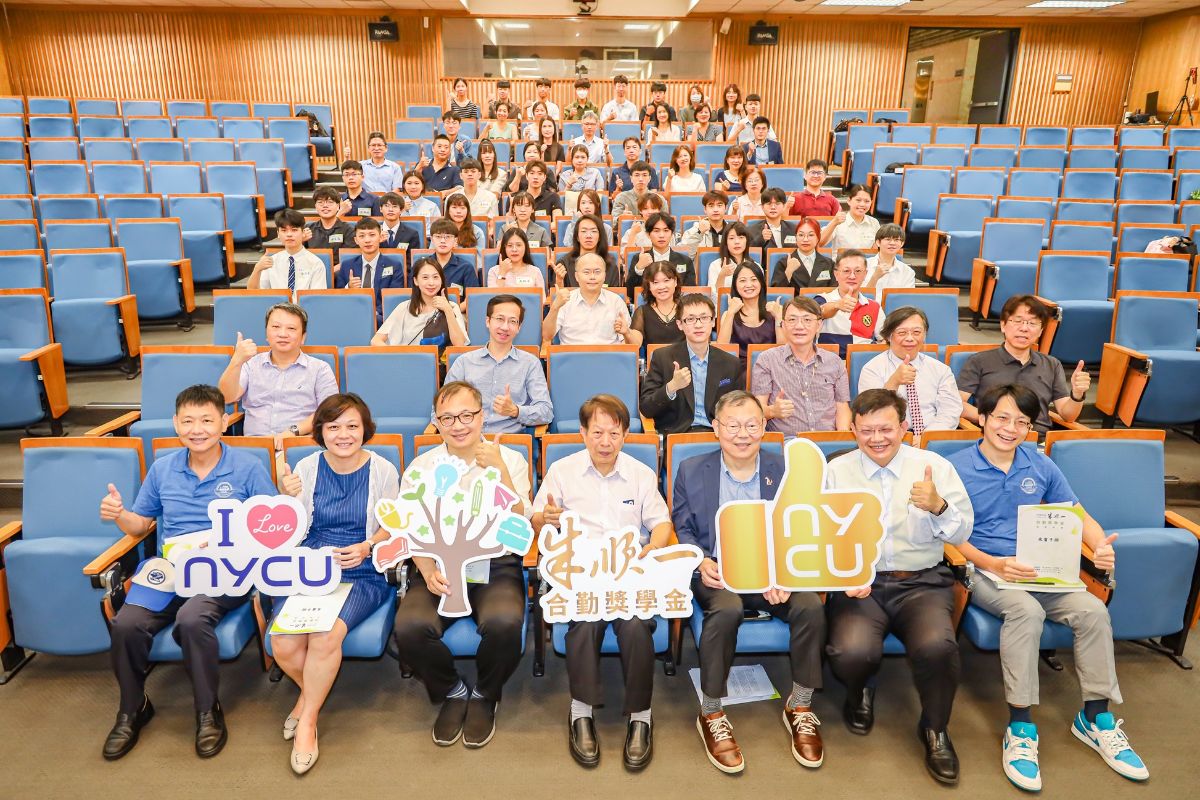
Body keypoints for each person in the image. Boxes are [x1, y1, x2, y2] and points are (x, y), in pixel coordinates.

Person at [947, 384, 1147, 792]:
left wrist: (1099, 545)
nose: (1011, 428)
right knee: (1026, 611)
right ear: (982, 418)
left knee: (1093, 611)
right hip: (986, 569)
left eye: (1021, 422)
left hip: (1040, 568)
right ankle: (1021, 726)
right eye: (1002, 418)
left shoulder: (1040, 464)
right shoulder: (956, 467)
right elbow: (947, 534)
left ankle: (1095, 717)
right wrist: (993, 562)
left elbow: (1077, 513)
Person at [99, 384, 277, 761]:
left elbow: (271, 528)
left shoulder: (248, 467)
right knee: (127, 623)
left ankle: (207, 710)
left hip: (226, 570)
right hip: (171, 569)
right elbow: (140, 525)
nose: (198, 429)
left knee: (192, 619)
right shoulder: (163, 468)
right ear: (176, 424)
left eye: (207, 420)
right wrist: (120, 515)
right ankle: (132, 708)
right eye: (188, 421)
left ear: (224, 422)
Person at [673, 391, 827, 774]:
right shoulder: (691, 469)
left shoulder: (785, 469)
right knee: (726, 610)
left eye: (751, 425)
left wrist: (784, 572)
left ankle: (800, 705)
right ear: (716, 428)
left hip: (774, 572)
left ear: (763, 427)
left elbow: (801, 526)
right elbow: (683, 528)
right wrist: (700, 560)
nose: (742, 434)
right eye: (733, 425)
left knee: (810, 606)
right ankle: (711, 712)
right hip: (719, 573)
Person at [824, 389, 972, 785]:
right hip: (861, 583)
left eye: (886, 429)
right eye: (866, 430)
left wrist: (939, 506)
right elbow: (819, 535)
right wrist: (841, 576)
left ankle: (935, 728)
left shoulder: (933, 467)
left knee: (938, 648)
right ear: (853, 430)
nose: (877, 438)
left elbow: (962, 533)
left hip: (921, 583)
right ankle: (861, 689)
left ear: (904, 427)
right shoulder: (836, 471)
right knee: (850, 652)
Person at [532, 395, 673, 770]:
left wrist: (653, 549)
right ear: (583, 433)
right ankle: (581, 711)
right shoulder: (562, 471)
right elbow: (537, 517)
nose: (605, 442)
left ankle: (641, 715)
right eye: (597, 433)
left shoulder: (641, 475)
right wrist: (546, 518)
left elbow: (661, 524)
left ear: (625, 434)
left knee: (636, 625)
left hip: (629, 571)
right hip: (582, 573)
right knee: (585, 622)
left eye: (614, 433)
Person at [394, 381, 533, 749]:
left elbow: (521, 520)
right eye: (448, 418)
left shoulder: (510, 459)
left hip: (494, 564)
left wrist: (499, 470)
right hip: (438, 566)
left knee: (505, 623)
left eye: (466, 415)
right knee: (409, 627)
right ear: (437, 422)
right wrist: (426, 570)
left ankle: (486, 693)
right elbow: (410, 527)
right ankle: (452, 691)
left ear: (482, 416)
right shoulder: (423, 466)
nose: (458, 425)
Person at [272, 393, 400, 774]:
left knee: (325, 636)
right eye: (333, 427)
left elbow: (394, 525)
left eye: (352, 426)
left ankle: (308, 720)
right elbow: (289, 528)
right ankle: (310, 694)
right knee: (282, 643)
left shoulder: (383, 469)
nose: (343, 434)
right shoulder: (306, 467)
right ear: (321, 431)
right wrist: (285, 497)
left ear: (365, 429)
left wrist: (367, 546)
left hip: (362, 567)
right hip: (310, 565)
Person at [958, 295, 1090, 435]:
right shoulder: (979, 361)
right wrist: (995, 420)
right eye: (1017, 321)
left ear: (1040, 331)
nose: (1024, 328)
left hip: (1038, 439)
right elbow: (958, 404)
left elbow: (1068, 415)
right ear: (1003, 325)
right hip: (995, 437)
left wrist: (1077, 394)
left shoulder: (1051, 364)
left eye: (1032, 323)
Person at [217, 301, 338, 446]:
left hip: (297, 445)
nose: (282, 334)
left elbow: (329, 412)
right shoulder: (251, 364)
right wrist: (236, 361)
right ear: (266, 333)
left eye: (291, 328)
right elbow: (227, 397)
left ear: (303, 337)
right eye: (276, 327)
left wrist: (293, 432)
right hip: (255, 446)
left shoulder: (320, 369)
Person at [443, 295, 553, 434]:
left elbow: (546, 412)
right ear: (488, 321)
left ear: (519, 327)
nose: (505, 327)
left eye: (512, 321)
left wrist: (515, 411)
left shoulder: (530, 363)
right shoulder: (464, 362)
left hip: (509, 440)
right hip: (468, 438)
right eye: (500, 319)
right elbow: (441, 407)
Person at [641, 294, 743, 433]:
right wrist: (672, 387)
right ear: (680, 324)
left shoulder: (730, 363)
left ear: (713, 322)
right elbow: (646, 408)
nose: (698, 324)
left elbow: (739, 408)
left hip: (719, 435)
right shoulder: (662, 357)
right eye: (690, 319)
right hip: (678, 435)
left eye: (704, 318)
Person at [752, 297, 851, 434]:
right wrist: (772, 411)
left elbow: (842, 407)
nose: (799, 326)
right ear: (783, 325)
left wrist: (842, 439)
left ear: (819, 325)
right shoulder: (767, 360)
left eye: (807, 320)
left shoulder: (834, 362)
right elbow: (756, 410)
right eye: (792, 319)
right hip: (788, 442)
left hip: (826, 441)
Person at [859, 307, 962, 437]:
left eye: (916, 332)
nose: (910, 338)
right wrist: (894, 382)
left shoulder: (940, 370)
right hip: (888, 437)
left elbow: (950, 412)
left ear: (924, 335)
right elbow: (871, 413)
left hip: (932, 436)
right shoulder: (872, 369)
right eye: (902, 333)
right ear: (888, 336)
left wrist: (926, 437)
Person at [544, 253, 639, 346]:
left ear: (604, 276)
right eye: (586, 272)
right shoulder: (565, 301)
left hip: (608, 355)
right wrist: (555, 307)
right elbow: (547, 336)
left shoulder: (616, 301)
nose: (592, 277)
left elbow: (632, 346)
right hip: (572, 355)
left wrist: (627, 333)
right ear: (576, 276)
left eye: (597, 272)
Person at [373, 257, 468, 349]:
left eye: (435, 277)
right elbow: (376, 341)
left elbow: (459, 345)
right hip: (408, 359)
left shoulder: (452, 307)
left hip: (441, 360)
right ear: (416, 281)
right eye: (425, 277)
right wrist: (397, 354)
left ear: (441, 280)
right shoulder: (404, 307)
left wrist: (448, 310)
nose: (431, 283)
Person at [334, 217, 406, 325]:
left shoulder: (394, 265)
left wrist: (372, 313)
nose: (367, 240)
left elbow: (393, 298)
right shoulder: (347, 265)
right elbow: (338, 297)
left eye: (372, 235)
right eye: (362, 236)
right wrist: (349, 287)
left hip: (381, 318)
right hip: (352, 316)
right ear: (356, 240)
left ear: (380, 237)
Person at [815, 250, 882, 358]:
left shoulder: (874, 306)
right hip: (828, 362)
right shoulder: (823, 299)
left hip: (863, 363)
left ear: (865, 274)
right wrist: (837, 305)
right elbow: (818, 312)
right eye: (846, 271)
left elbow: (884, 339)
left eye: (858, 271)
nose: (852, 276)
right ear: (836, 274)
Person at [248, 209, 328, 296]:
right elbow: (255, 294)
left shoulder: (316, 263)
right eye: (284, 230)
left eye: (294, 230)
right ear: (278, 234)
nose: (289, 234)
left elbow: (317, 298)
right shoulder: (271, 261)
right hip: (276, 304)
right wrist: (257, 270)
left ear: (303, 232)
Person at [716, 261, 782, 362]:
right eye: (742, 280)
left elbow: (783, 350)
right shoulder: (729, 314)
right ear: (735, 285)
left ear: (761, 283)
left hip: (771, 367)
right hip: (739, 368)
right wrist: (731, 313)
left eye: (754, 279)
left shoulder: (775, 311)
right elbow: (721, 349)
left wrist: (778, 318)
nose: (748, 285)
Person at [625, 211, 696, 296]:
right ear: (648, 234)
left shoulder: (685, 261)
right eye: (656, 231)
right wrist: (639, 269)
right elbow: (630, 293)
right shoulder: (639, 258)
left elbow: (690, 294)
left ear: (672, 234)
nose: (661, 235)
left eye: (666, 230)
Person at [408, 217, 480, 291]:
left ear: (455, 241)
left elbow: (471, 296)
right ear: (432, 239)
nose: (442, 241)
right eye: (438, 237)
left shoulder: (466, 267)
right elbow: (412, 294)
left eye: (448, 237)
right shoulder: (420, 266)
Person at [553, 213, 621, 289]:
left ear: (600, 237)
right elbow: (557, 294)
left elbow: (615, 294)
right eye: (583, 231)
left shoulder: (611, 266)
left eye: (593, 231)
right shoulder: (564, 265)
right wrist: (559, 282)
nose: (588, 236)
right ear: (577, 237)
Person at [629, 261, 685, 347]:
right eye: (655, 282)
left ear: (675, 281)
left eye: (666, 280)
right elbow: (636, 344)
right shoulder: (642, 312)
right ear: (649, 286)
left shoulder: (687, 309)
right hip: (654, 356)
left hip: (684, 356)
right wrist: (626, 333)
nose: (661, 287)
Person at [771, 217, 836, 291]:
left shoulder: (829, 264)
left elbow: (835, 291)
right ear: (796, 237)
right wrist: (788, 272)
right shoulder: (784, 263)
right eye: (801, 235)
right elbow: (776, 293)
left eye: (811, 235)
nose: (805, 239)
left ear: (818, 238)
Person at [487, 227, 545, 293]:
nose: (514, 249)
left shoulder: (535, 271)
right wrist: (502, 273)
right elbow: (493, 297)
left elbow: (542, 298)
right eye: (510, 245)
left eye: (518, 245)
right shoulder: (493, 271)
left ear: (525, 247)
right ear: (504, 248)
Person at [747, 187, 798, 263]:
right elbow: (748, 254)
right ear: (762, 207)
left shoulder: (794, 228)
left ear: (784, 206)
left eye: (777, 204)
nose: (773, 207)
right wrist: (761, 239)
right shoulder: (752, 230)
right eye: (769, 204)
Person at [821, 184, 879, 250]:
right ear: (849, 201)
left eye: (867, 201)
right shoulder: (838, 221)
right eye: (858, 200)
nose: (862, 204)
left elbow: (875, 250)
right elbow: (820, 243)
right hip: (841, 257)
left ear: (871, 203)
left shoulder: (874, 223)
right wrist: (834, 223)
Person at [304, 186, 356, 259]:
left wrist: (331, 268)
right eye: (320, 202)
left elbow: (349, 259)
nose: (325, 206)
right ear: (315, 206)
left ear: (338, 206)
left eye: (330, 202)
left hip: (340, 266)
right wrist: (300, 241)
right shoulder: (308, 229)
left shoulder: (349, 230)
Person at [706, 221, 758, 291]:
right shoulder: (715, 266)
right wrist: (722, 276)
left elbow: (760, 293)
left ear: (747, 241)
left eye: (741, 237)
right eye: (731, 238)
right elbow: (714, 296)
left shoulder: (756, 266)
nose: (737, 242)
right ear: (725, 242)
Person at [863, 224, 915, 290]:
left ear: (902, 243)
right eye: (888, 239)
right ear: (878, 242)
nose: (892, 243)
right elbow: (858, 295)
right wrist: (875, 277)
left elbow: (906, 296)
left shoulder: (908, 272)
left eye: (896, 240)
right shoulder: (863, 266)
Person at [678, 190, 730, 257]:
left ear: (726, 208)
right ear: (705, 209)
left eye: (719, 205)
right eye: (711, 206)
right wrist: (699, 233)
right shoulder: (696, 229)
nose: (715, 210)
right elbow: (683, 255)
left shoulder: (731, 230)